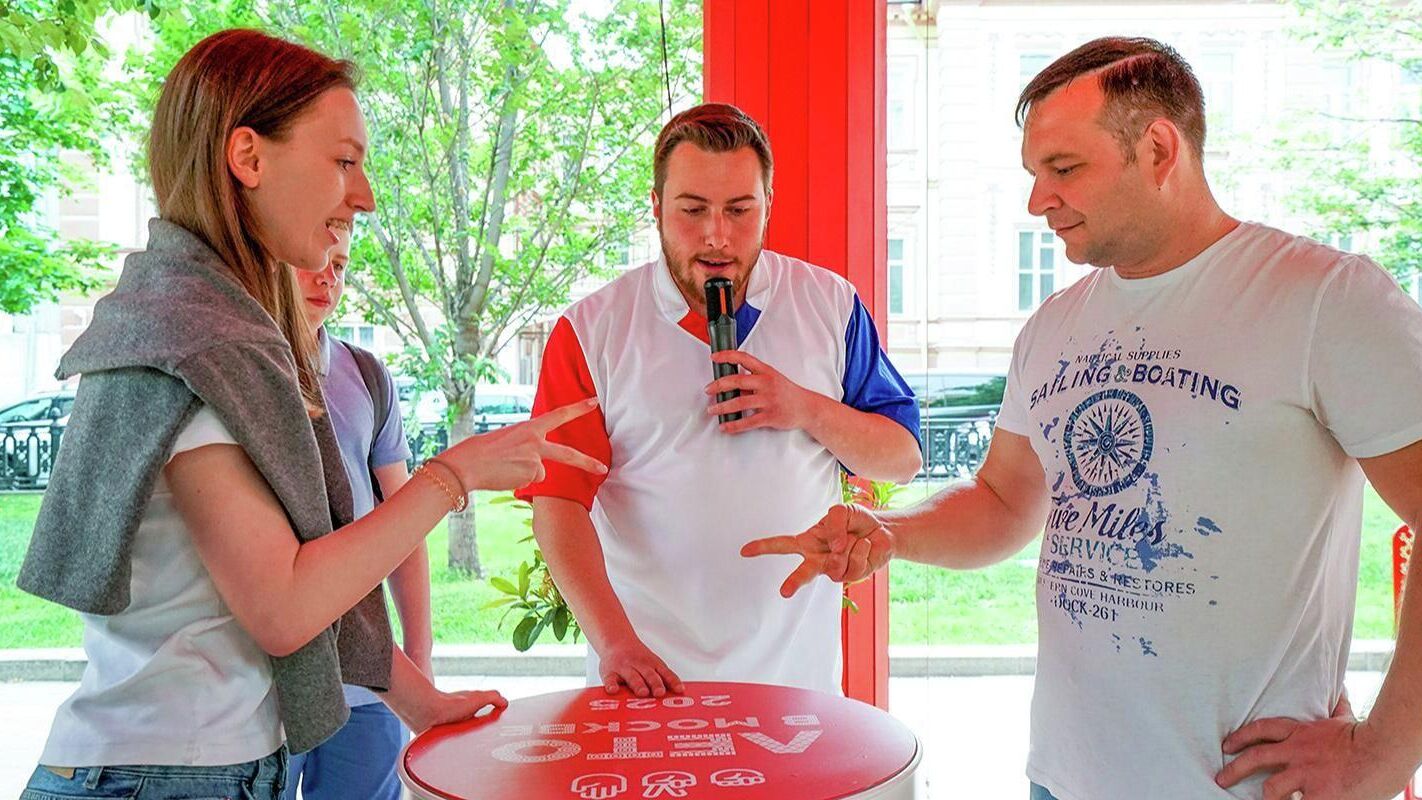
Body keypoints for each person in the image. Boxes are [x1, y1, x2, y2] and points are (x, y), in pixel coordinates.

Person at [745, 37, 1422, 800]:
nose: (1038, 201)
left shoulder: (1324, 298)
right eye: (1034, 174)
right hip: (1062, 780)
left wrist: (1382, 754)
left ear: (1158, 149)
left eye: (1063, 169)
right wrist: (891, 531)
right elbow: (1002, 502)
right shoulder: (1053, 327)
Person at [17, 29, 603, 800]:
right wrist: (453, 477)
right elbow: (286, 606)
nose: (363, 197)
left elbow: (310, 562)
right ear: (248, 157)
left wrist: (417, 701)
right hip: (162, 775)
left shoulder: (197, 319)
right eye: (344, 162)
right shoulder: (201, 342)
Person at [515, 103, 922, 699]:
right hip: (648, 681)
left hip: (798, 684)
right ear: (656, 206)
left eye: (739, 210)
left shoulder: (831, 304)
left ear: (768, 205)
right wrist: (614, 643)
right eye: (692, 210)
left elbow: (903, 458)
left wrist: (805, 408)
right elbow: (557, 503)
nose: (716, 235)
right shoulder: (592, 330)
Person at [279, 221, 428, 800]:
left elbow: (405, 525)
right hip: (269, 684)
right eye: (313, 260)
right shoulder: (241, 372)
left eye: (339, 265)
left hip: (367, 680)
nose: (328, 278)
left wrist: (418, 660)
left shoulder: (364, 374)